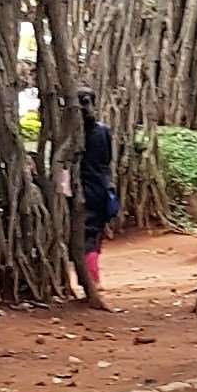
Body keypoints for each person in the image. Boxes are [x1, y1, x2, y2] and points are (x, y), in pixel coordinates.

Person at [75, 88, 117, 301]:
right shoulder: (103, 131)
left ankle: (90, 280)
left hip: (79, 188)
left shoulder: (71, 133)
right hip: (101, 187)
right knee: (94, 233)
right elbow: (107, 159)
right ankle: (93, 278)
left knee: (83, 235)